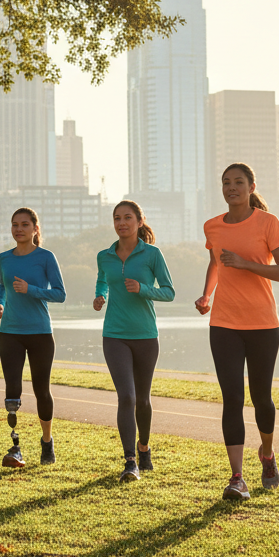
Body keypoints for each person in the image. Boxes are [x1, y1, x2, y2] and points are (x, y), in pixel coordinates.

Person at [196, 164, 279, 501]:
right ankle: (236, 478)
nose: (231, 187)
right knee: (232, 397)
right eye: (226, 183)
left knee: (261, 397)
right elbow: (216, 262)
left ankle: (267, 453)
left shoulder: (268, 223)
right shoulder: (213, 226)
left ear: (251, 186)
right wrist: (207, 294)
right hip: (223, 324)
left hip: (263, 324)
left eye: (238, 182)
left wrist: (248, 264)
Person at [93, 200, 174, 483]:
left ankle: (144, 448)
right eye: (117, 218)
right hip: (114, 334)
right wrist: (100, 295)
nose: (121, 223)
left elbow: (169, 292)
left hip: (146, 336)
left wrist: (143, 289)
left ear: (140, 221)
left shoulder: (152, 254)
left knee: (142, 400)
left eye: (128, 218)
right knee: (125, 396)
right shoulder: (105, 255)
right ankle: (130, 461)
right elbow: (103, 280)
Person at [0, 207, 65, 468]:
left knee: (41, 390)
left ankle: (47, 441)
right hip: (10, 332)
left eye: (24, 224)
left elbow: (60, 294)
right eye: (14, 224)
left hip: (40, 333)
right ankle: (15, 447)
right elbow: (3, 286)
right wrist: (0, 303)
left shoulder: (46, 257)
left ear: (35, 228)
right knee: (12, 391)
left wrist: (31, 289)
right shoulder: (3, 258)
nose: (19, 229)